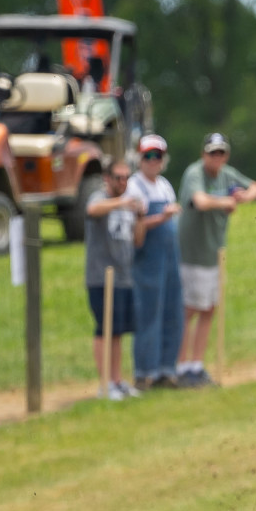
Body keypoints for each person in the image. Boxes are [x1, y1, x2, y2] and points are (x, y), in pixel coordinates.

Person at [178, 133, 256, 384]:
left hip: (214, 254)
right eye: (212, 153)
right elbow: (200, 201)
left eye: (221, 153)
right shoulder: (194, 173)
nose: (216, 157)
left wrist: (244, 197)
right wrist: (225, 201)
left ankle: (196, 365)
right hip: (191, 254)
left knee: (209, 309)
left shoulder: (228, 174)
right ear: (203, 154)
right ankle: (180, 367)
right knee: (189, 310)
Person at [83, 160, 142, 400]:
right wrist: (121, 203)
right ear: (107, 178)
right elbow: (92, 210)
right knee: (104, 330)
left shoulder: (128, 204)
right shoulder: (100, 197)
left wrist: (140, 216)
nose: (123, 182)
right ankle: (105, 384)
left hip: (124, 276)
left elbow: (137, 240)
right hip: (101, 277)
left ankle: (117, 380)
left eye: (127, 177)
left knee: (118, 332)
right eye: (118, 177)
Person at [128, 137, 184, 388]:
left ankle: (166, 368)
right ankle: (144, 371)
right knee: (148, 313)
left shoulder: (164, 186)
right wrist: (162, 217)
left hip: (170, 257)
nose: (153, 161)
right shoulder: (134, 186)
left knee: (172, 310)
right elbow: (135, 227)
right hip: (148, 259)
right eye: (148, 156)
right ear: (139, 159)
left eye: (157, 156)